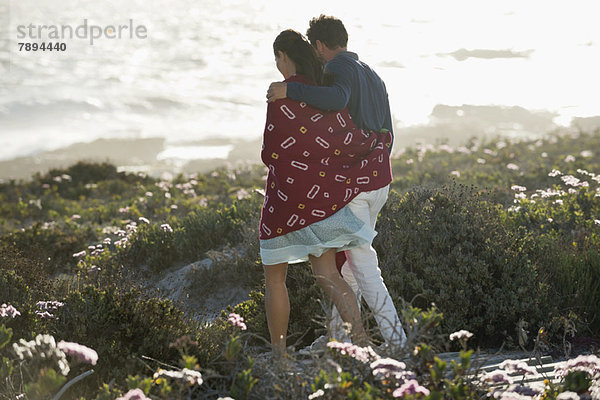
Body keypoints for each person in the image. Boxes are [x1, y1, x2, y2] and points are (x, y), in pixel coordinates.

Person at [266, 15, 407, 349]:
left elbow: (336, 100)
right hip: (380, 181)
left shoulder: (338, 70)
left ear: (318, 46)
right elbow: (387, 132)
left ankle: (398, 343)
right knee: (346, 271)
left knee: (362, 264)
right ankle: (338, 339)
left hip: (359, 185)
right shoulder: (373, 74)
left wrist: (291, 89)